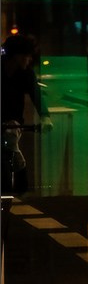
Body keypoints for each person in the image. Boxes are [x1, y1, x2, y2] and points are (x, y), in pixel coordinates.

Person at [2, 32, 52, 196]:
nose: (29, 60)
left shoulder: (26, 74)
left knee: (12, 146)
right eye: (27, 56)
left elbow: (36, 95)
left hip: (13, 123)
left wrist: (45, 117)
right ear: (17, 56)